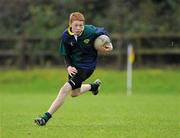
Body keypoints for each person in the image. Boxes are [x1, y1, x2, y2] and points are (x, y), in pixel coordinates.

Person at [34, 12, 113, 126]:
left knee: (64, 89)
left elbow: (103, 32)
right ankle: (94, 86)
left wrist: (109, 44)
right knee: (74, 93)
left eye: (81, 25)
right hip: (74, 68)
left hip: (87, 66)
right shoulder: (66, 36)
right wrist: (69, 66)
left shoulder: (90, 31)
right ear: (70, 24)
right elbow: (65, 54)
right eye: (76, 25)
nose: (78, 28)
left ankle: (45, 118)